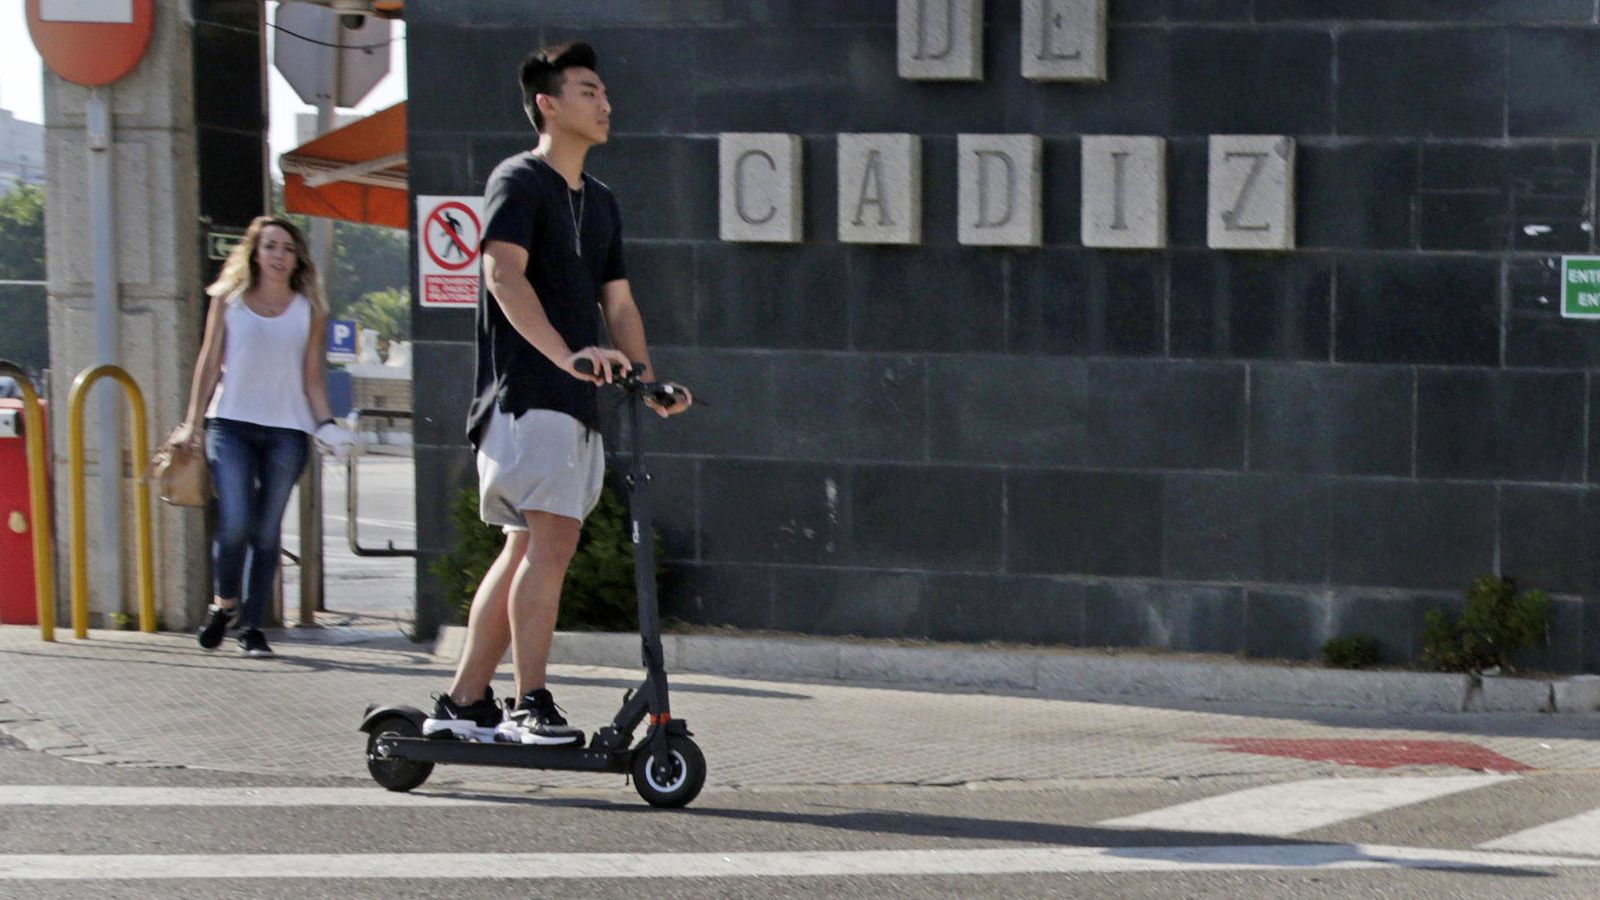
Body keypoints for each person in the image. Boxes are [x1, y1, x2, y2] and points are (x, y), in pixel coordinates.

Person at [423, 41, 692, 745]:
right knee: (553, 538)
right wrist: (568, 355)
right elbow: (502, 277)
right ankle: (528, 703)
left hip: (574, 400)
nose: (605, 104)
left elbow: (622, 305)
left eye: (604, 93)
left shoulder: (600, 202)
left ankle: (463, 702)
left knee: (524, 547)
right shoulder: (519, 180)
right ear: (548, 103)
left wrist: (643, 377)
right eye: (588, 92)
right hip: (525, 393)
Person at [170, 215, 357, 657]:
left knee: (268, 530)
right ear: (254, 252)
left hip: (288, 430)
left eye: (288, 248)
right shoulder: (229, 299)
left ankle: (252, 627)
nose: (278, 255)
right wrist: (191, 422)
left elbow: (313, 374)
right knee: (234, 521)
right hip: (230, 423)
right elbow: (209, 361)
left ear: (297, 259)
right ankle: (224, 604)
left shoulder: (309, 308)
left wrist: (327, 423)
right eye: (270, 246)